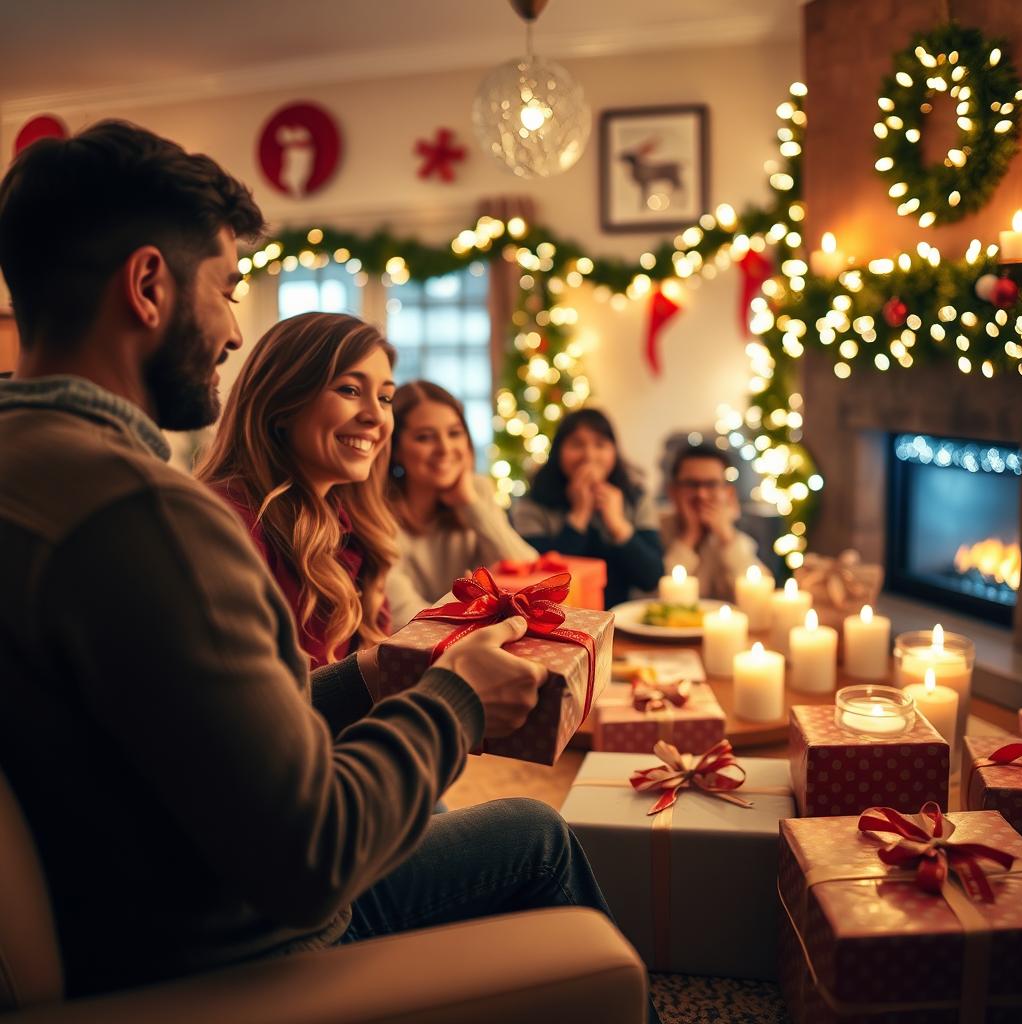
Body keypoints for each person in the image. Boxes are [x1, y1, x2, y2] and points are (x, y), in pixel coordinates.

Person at [0, 121, 660, 1023]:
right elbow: (312, 856)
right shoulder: (148, 517)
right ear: (149, 286)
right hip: (228, 946)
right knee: (535, 834)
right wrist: (453, 699)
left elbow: (191, 728)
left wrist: (364, 677)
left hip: (120, 913)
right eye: (227, 288)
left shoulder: (29, 473)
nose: (234, 331)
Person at [197, 312, 396, 668]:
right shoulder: (225, 523)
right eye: (350, 389)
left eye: (385, 398)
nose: (376, 417)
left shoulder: (356, 530)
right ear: (282, 403)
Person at [385, 380, 537, 628]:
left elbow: (528, 572)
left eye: (455, 433)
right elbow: (403, 618)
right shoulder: (378, 512)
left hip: (477, 643)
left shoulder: (476, 491)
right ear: (396, 450)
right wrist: (469, 616)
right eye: (425, 437)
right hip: (413, 654)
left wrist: (471, 505)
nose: (445, 448)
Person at [511, 408, 663, 608]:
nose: (589, 455)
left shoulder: (636, 497)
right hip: (557, 620)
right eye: (577, 444)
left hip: (622, 619)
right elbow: (542, 585)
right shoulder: (533, 504)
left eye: (600, 445)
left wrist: (618, 525)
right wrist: (579, 516)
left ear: (614, 451)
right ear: (558, 451)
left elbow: (652, 577)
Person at [660, 443, 766, 601]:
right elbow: (653, 598)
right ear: (673, 491)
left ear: (728, 493)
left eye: (711, 484)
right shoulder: (656, 530)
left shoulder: (738, 534)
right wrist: (690, 535)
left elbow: (759, 597)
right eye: (691, 484)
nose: (701, 494)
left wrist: (726, 535)